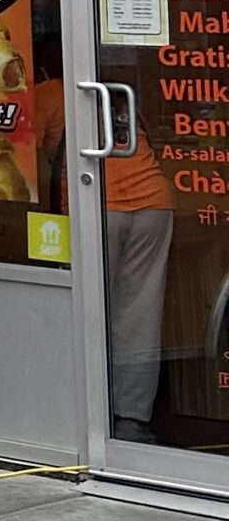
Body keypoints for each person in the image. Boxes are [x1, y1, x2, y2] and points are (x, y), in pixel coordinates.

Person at [101, 92, 174, 443]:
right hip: (154, 202)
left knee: (86, 309)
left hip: (97, 204)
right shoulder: (120, 98)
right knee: (139, 312)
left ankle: (81, 415)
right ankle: (130, 420)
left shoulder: (51, 96)